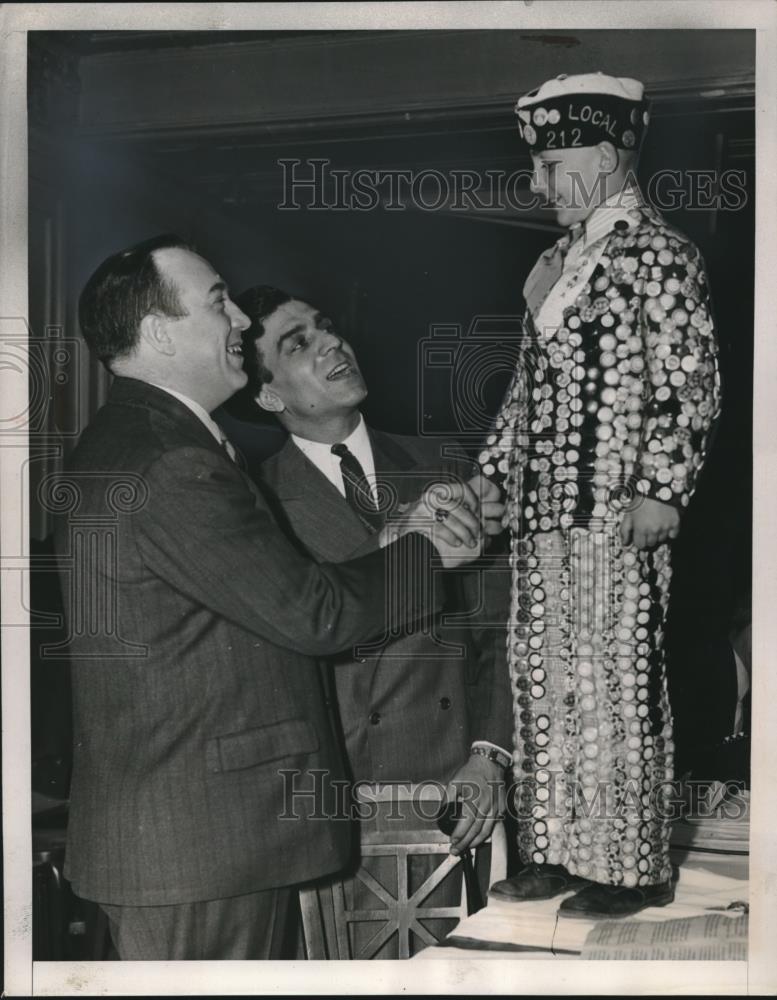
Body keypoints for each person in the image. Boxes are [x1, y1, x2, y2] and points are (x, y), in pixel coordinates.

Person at [54, 234, 501, 960]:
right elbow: (310, 612)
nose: (237, 320)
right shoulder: (171, 460)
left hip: (196, 842)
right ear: (162, 333)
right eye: (217, 302)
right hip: (199, 847)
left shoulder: (140, 439)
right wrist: (428, 551)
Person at [479, 73, 721, 918]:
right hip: (545, 517)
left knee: (616, 683)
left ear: (609, 155)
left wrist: (663, 487)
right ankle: (552, 850)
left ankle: (629, 862)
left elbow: (690, 384)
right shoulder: (557, 262)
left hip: (618, 513)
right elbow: (525, 388)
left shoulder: (657, 251)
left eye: (552, 163)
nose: (538, 184)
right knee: (546, 685)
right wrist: (492, 475)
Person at [235, 286, 513, 956]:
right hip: (332, 802)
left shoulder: (443, 466)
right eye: (297, 342)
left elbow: (499, 632)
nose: (330, 342)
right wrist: (391, 544)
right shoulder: (250, 500)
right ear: (268, 395)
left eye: (326, 326)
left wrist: (490, 755)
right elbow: (292, 631)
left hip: (453, 789)